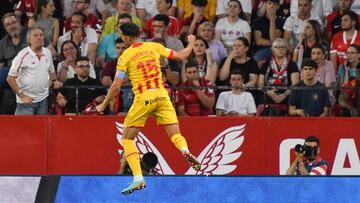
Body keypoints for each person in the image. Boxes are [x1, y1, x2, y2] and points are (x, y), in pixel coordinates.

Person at [96, 23, 201, 194]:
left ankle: (138, 178)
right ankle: (185, 151)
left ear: (127, 38)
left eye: (122, 36)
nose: (122, 39)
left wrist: (104, 103)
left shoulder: (125, 56)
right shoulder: (155, 46)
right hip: (161, 94)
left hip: (143, 97)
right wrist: (191, 42)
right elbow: (182, 56)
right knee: (175, 134)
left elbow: (116, 85)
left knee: (128, 140)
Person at [7, 27, 62, 115]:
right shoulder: (22, 55)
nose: (39, 37)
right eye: (35, 35)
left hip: (43, 99)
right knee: (24, 128)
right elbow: (10, 78)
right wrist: (22, 95)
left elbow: (51, 70)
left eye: (41, 35)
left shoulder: (47, 53)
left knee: (41, 128)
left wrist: (54, 81)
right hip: (26, 102)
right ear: (29, 40)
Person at [0, 13, 28, 114]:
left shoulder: (31, 34)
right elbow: (1, 65)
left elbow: (48, 52)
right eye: (8, 25)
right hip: (11, 73)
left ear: (18, 22)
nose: (11, 26)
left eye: (13, 22)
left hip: (28, 69)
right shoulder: (3, 43)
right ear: (5, 28)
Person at [258, 38, 300, 105]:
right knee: (264, 97)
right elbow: (260, 84)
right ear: (272, 50)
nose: (281, 49)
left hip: (287, 94)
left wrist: (284, 95)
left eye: (283, 47)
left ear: (286, 50)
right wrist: (269, 92)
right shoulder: (266, 64)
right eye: (277, 47)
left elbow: (295, 84)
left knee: (293, 97)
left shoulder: (292, 64)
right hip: (269, 94)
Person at [338, 44, 360, 116]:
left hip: (358, 90)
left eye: (352, 53)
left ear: (359, 55)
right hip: (348, 92)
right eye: (348, 53)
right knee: (341, 97)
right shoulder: (342, 67)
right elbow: (342, 87)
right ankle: (351, 108)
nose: (349, 55)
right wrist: (346, 70)